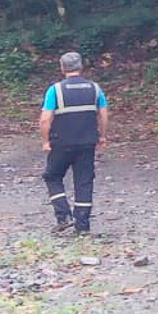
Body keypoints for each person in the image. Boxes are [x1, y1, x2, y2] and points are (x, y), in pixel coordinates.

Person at [41, 52, 107, 234]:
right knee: (84, 182)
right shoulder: (95, 88)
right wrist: (102, 136)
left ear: (62, 68)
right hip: (87, 143)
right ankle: (82, 226)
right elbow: (103, 114)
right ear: (81, 67)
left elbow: (45, 119)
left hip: (61, 142)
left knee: (52, 176)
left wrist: (46, 141)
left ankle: (63, 215)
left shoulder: (55, 90)